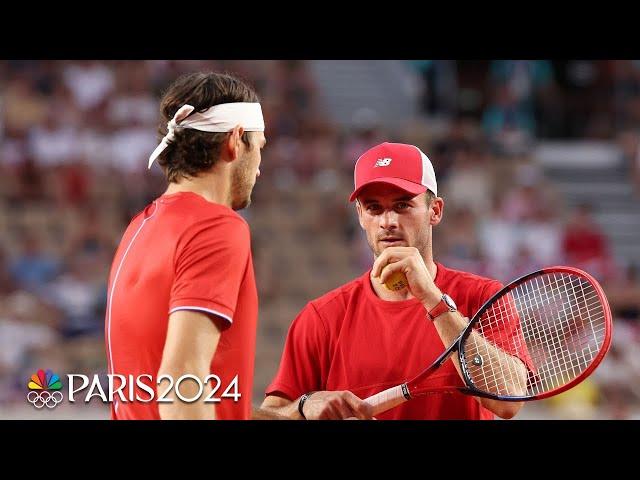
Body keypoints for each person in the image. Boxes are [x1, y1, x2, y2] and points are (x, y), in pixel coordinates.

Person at [261, 142, 527, 420]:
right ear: (361, 217)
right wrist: (304, 406)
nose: (387, 221)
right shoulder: (322, 318)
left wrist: (434, 300)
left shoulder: (483, 296)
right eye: (374, 208)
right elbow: (271, 414)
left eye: (402, 205)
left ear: (435, 211)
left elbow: (509, 400)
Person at [105, 72, 267, 420]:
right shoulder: (216, 226)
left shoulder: (139, 228)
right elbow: (181, 380)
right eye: (260, 147)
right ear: (236, 141)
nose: (259, 169)